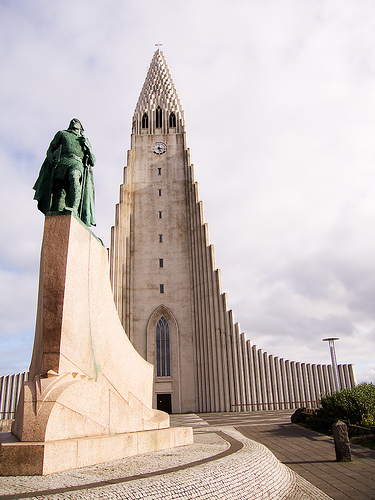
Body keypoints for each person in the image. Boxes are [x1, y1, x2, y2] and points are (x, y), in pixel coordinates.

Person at [33, 118, 96, 226]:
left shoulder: (84, 140)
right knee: (60, 191)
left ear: (81, 127)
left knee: (74, 177)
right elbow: (50, 149)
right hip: (62, 163)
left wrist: (88, 148)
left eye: (77, 121)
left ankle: (74, 208)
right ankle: (59, 217)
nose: (74, 121)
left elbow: (92, 160)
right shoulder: (62, 134)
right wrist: (51, 157)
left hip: (77, 163)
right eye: (73, 121)